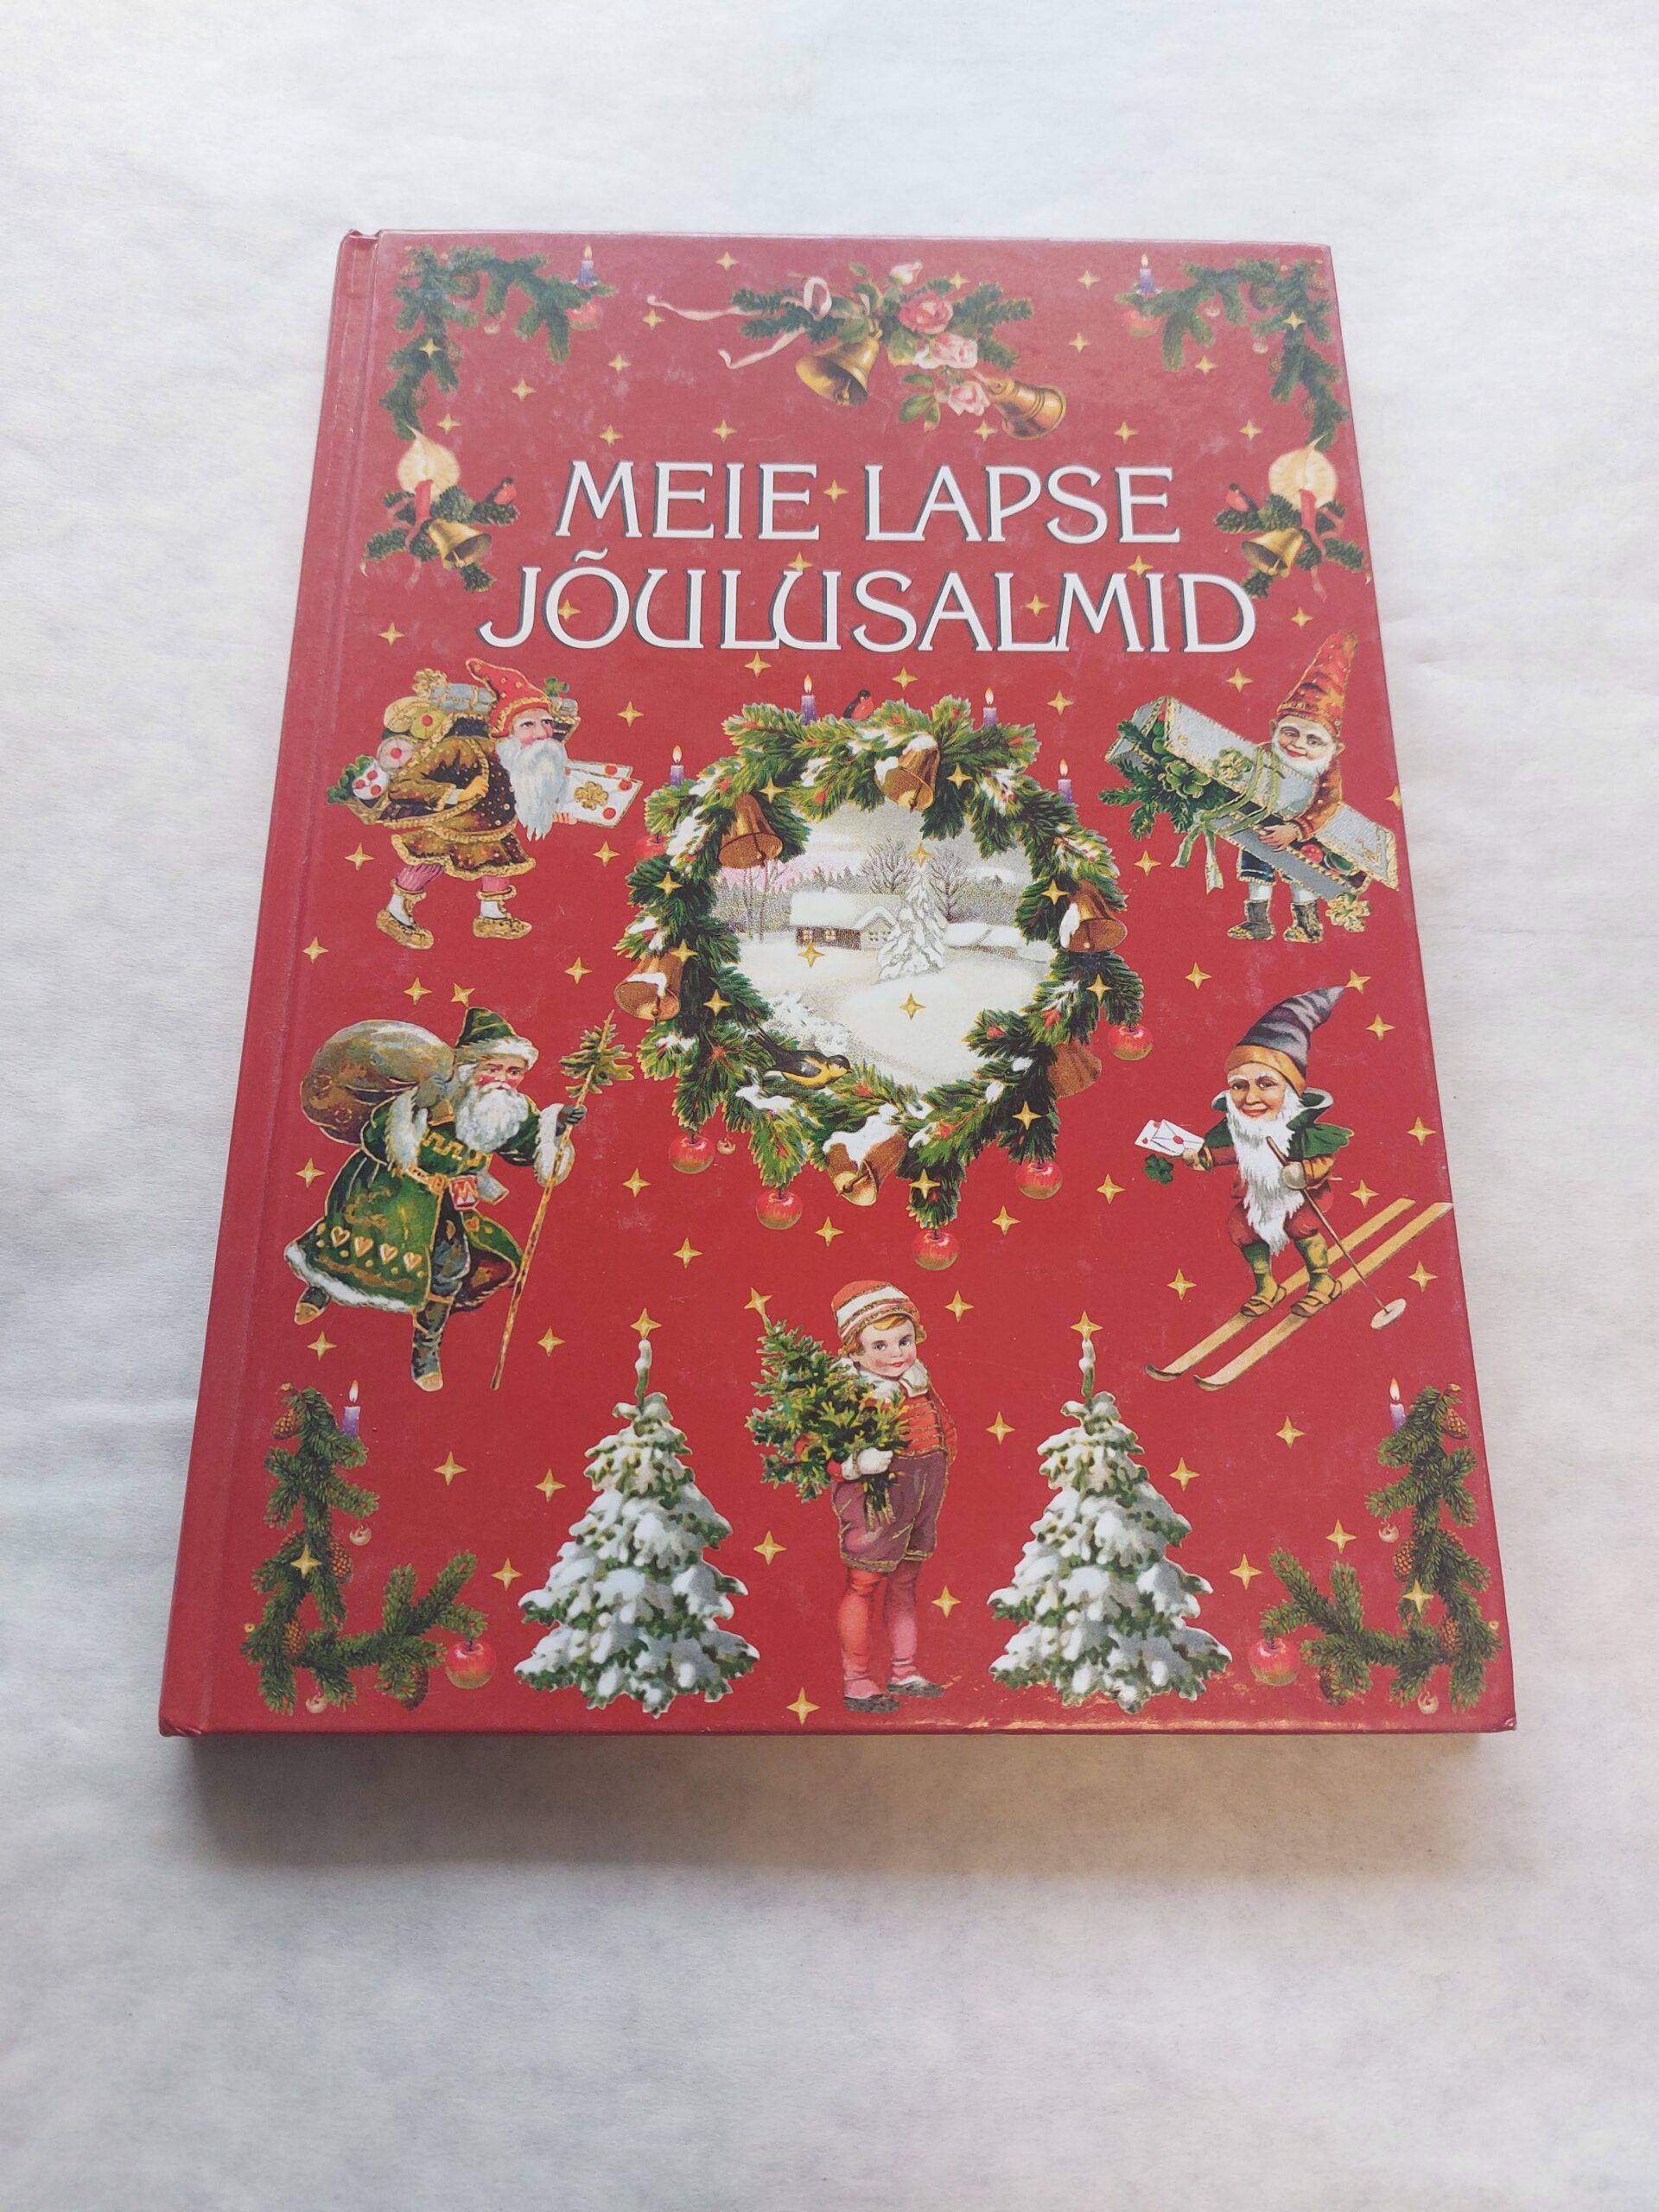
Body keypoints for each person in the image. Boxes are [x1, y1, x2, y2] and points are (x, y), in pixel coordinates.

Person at [285, 1007, 582, 1389]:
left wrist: (555, 1127)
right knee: (348, 1247)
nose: (504, 1081)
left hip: (450, 1200)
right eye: (493, 1068)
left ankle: (426, 1351)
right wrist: (411, 1107)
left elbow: (524, 1148)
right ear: (468, 1066)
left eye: (514, 1072)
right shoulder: (435, 1093)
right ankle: (320, 1288)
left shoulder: (509, 1109)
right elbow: (374, 1138)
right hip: (391, 1191)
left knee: (450, 1269)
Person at [368, 660, 581, 949]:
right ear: (506, 730)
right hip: (452, 827)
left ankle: (492, 916)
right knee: (430, 862)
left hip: (494, 830)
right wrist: (459, 794)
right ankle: (396, 912)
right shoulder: (463, 749)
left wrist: (553, 812)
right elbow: (403, 787)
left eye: (546, 722)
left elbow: (526, 797)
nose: (542, 734)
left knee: (499, 865)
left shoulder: (529, 761)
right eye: (528, 724)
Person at [1179, 987, 1352, 1319]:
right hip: (1260, 1199)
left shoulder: (1300, 1129)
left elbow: (1323, 1160)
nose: (1251, 1098)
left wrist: (1304, 1172)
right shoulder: (1243, 1130)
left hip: (1300, 1197)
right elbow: (1231, 1152)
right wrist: (1202, 1158)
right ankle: (1267, 1286)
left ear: (1290, 1090)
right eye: (1239, 1086)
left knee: (1301, 1225)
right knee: (1241, 1227)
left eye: (1266, 1084)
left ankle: (1323, 1280)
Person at [827, 1281, 958, 1713]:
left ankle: (904, 1670)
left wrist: (942, 1456)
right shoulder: (852, 1394)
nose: (897, 1353)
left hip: (921, 1494)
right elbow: (817, 1449)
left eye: (904, 1340)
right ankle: (857, 1679)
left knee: (905, 1579)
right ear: (855, 1352)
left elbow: (942, 1427)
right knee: (863, 1583)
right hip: (875, 1499)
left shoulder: (918, 1383)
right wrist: (854, 1464)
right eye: (880, 1345)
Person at [1229, 631, 1357, 944]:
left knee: (1302, 875)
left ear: (1334, 749)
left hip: (1302, 832)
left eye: (1313, 741)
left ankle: (1306, 925)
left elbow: (1327, 804)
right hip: (1260, 825)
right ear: (1274, 730)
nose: (1298, 745)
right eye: (1290, 733)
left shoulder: (1327, 771)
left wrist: (1297, 830)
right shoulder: (1262, 754)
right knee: (1257, 871)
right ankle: (1258, 921)